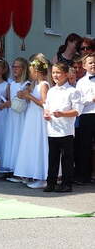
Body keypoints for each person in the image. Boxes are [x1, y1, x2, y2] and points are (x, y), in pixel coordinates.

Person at [43, 62, 82, 192]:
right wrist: (46, 114)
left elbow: (77, 111)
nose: (55, 75)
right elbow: (47, 107)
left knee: (66, 159)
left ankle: (66, 184)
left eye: (58, 72)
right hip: (52, 130)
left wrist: (62, 114)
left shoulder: (72, 91)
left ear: (66, 74)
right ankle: (51, 183)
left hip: (66, 131)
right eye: (53, 72)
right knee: (52, 158)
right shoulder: (51, 91)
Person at [13, 58, 50, 188]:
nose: (30, 74)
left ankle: (43, 177)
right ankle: (35, 174)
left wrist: (29, 96)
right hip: (32, 117)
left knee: (39, 145)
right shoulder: (36, 84)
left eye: (31, 71)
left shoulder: (44, 84)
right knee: (33, 145)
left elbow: (44, 103)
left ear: (37, 72)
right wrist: (25, 95)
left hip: (39, 119)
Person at [0, 57, 30, 180]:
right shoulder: (11, 84)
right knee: (12, 140)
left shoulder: (26, 84)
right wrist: (4, 103)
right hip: (12, 116)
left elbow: (24, 101)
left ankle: (22, 172)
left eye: (18, 67)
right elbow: (8, 99)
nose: (15, 69)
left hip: (21, 117)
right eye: (14, 66)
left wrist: (8, 103)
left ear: (23, 69)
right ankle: (14, 170)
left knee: (19, 140)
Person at [75, 53, 95, 183]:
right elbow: (78, 101)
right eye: (90, 63)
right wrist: (90, 99)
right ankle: (84, 176)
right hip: (87, 116)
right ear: (84, 66)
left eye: (94, 62)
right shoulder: (81, 82)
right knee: (85, 146)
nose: (93, 64)